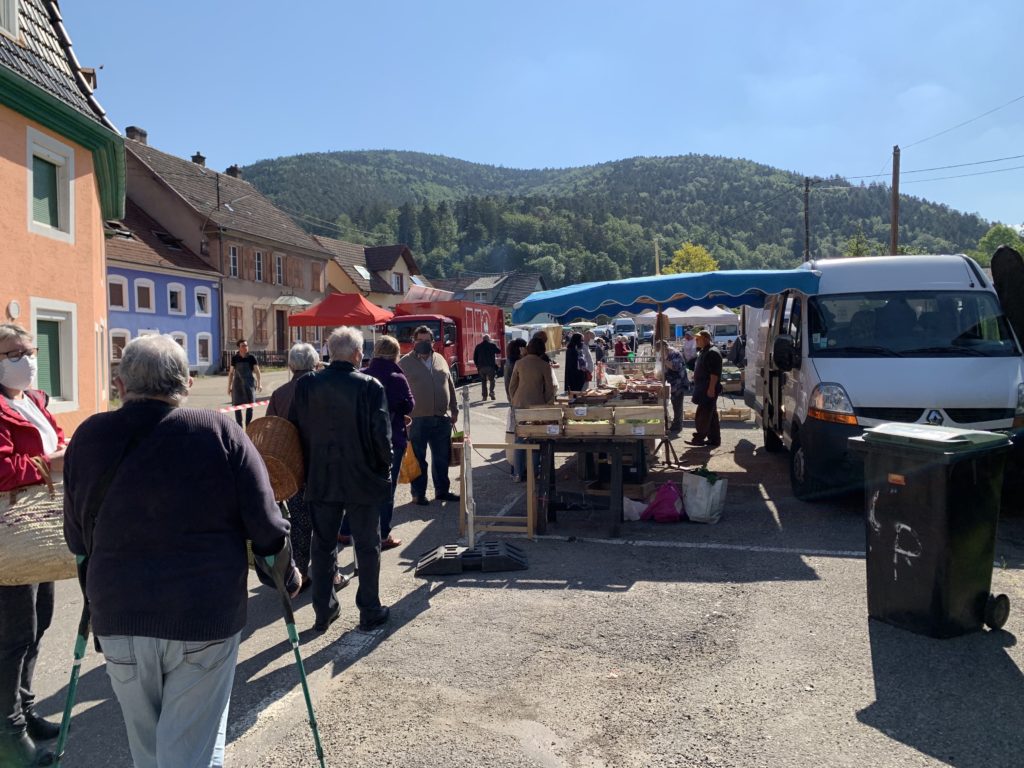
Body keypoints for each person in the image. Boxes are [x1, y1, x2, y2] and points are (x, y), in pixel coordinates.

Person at [63, 334, 294, 768]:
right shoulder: (219, 430)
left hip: (118, 614)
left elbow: (77, 539)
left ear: (120, 385)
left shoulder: (89, 436)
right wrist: (284, 575)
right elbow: (265, 525)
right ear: (186, 383)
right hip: (203, 616)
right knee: (191, 752)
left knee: (150, 751)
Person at [289, 327, 392, 634]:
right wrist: (384, 469)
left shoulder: (307, 384)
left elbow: (295, 429)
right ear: (358, 355)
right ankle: (369, 609)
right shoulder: (371, 386)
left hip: (321, 476)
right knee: (367, 546)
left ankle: (323, 612)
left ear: (329, 353)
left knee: (322, 546)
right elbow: (381, 438)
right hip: (362, 478)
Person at [0, 324, 67, 767]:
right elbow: (3, 470)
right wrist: (50, 464)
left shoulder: (35, 400)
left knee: (40, 622)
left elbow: (58, 439)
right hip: (8, 534)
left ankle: (25, 707)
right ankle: (9, 735)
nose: (27, 358)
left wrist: (63, 449)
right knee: (13, 635)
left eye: (29, 350)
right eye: (15, 352)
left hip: (39, 526)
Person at [339, 336, 414, 551]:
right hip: (391, 438)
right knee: (386, 490)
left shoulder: (361, 374)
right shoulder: (397, 377)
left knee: (359, 486)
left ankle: (345, 530)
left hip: (362, 439)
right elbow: (409, 405)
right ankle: (382, 535)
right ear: (395, 353)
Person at [266, 342, 321, 589]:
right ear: (315, 362)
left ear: (290, 365)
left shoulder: (279, 393)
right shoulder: (324, 386)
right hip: (323, 464)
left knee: (299, 521)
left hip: (292, 468)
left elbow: (269, 428)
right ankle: (328, 571)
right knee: (325, 521)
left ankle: (300, 571)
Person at [399, 332, 460, 507]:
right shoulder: (404, 363)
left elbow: (450, 384)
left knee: (441, 457)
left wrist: (454, 408)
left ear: (433, 342)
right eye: (420, 340)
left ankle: (442, 491)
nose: (424, 343)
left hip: (441, 418)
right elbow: (399, 390)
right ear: (413, 341)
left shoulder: (440, 359)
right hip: (416, 419)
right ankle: (418, 494)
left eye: (427, 340)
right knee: (418, 459)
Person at [508, 338, 556, 481]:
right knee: (535, 438)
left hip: (519, 404)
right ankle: (533, 473)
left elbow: (512, 386)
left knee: (520, 438)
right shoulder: (544, 365)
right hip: (537, 406)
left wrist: (514, 400)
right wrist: (545, 402)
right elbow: (550, 389)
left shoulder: (519, 363)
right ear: (542, 350)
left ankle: (517, 473)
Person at [686, 330, 723, 448]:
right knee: (711, 415)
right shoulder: (704, 351)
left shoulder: (712, 352)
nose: (696, 341)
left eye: (698, 339)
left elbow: (714, 374)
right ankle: (714, 439)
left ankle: (699, 438)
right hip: (702, 387)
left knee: (703, 414)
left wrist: (711, 388)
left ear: (706, 339)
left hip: (707, 388)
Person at [655, 340, 687, 437]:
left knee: (677, 405)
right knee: (673, 403)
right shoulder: (665, 354)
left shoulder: (674, 353)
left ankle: (677, 426)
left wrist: (664, 361)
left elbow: (675, 366)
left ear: (664, 347)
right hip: (671, 383)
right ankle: (673, 423)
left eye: (660, 350)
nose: (659, 353)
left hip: (678, 383)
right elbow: (663, 369)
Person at [227, 339, 261, 427]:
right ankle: (239, 426)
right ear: (239, 348)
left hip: (249, 385)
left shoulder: (251, 357)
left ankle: (248, 425)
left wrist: (259, 383)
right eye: (243, 346)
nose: (246, 347)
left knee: (250, 406)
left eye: (246, 345)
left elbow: (257, 371)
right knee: (236, 407)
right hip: (237, 385)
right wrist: (229, 387)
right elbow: (231, 373)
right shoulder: (235, 358)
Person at [472, 334, 501, 401]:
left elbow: (475, 357)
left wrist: (477, 365)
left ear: (483, 339)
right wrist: (494, 343)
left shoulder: (478, 346)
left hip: (481, 367)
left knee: (483, 381)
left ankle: (484, 396)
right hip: (490, 367)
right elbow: (499, 351)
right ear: (488, 339)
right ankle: (492, 392)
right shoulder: (492, 345)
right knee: (492, 380)